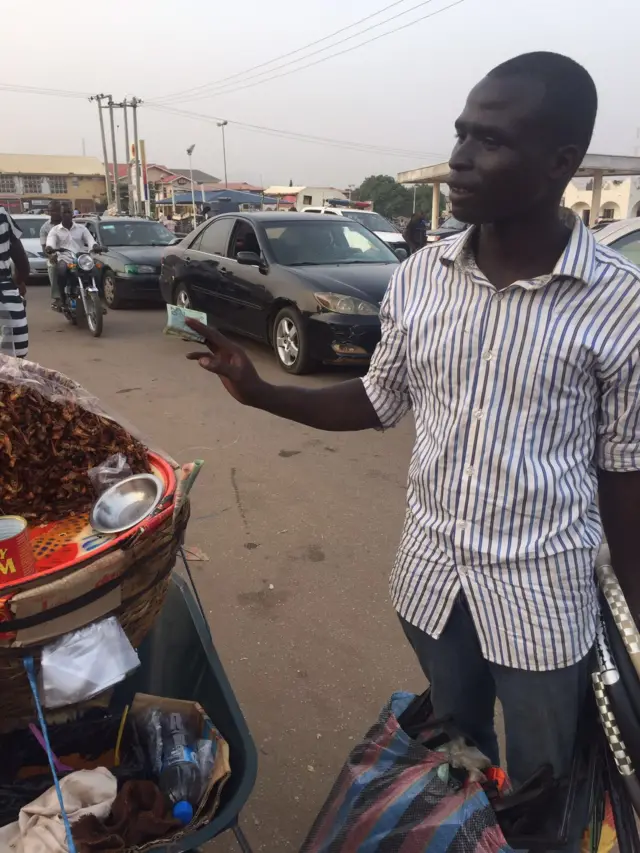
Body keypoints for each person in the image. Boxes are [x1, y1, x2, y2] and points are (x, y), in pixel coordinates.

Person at [185, 52, 640, 802]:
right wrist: (259, 390)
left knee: (545, 793)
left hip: (543, 606)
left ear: (563, 161)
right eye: (461, 134)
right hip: (432, 589)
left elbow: (625, 479)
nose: (459, 160)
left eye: (489, 141)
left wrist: (631, 630)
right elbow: (376, 398)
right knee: (455, 767)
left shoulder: (619, 303)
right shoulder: (421, 277)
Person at [46, 206, 97, 305]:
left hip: (81, 257)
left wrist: (95, 245)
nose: (67, 214)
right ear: (61, 215)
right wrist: (50, 248)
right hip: (64, 257)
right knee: (61, 271)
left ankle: (96, 299)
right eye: (64, 212)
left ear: (72, 214)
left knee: (95, 271)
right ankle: (62, 297)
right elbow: (50, 242)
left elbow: (90, 240)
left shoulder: (82, 228)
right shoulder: (55, 230)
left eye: (69, 212)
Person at [0, 206, 30, 358]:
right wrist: (19, 282)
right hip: (6, 298)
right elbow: (22, 263)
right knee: (15, 367)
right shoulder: (2, 214)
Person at [40, 201, 63, 310]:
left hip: (71, 254)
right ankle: (57, 297)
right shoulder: (45, 228)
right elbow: (44, 246)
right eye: (52, 210)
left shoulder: (71, 223)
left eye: (57, 210)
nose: (55, 213)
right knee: (52, 267)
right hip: (54, 256)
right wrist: (50, 256)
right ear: (49, 212)